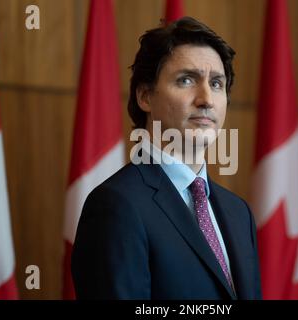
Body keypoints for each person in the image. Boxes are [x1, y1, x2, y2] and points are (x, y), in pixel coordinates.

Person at [71, 16, 262, 300]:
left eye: (217, 84)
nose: (207, 99)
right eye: (186, 80)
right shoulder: (115, 206)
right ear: (145, 96)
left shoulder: (239, 213)